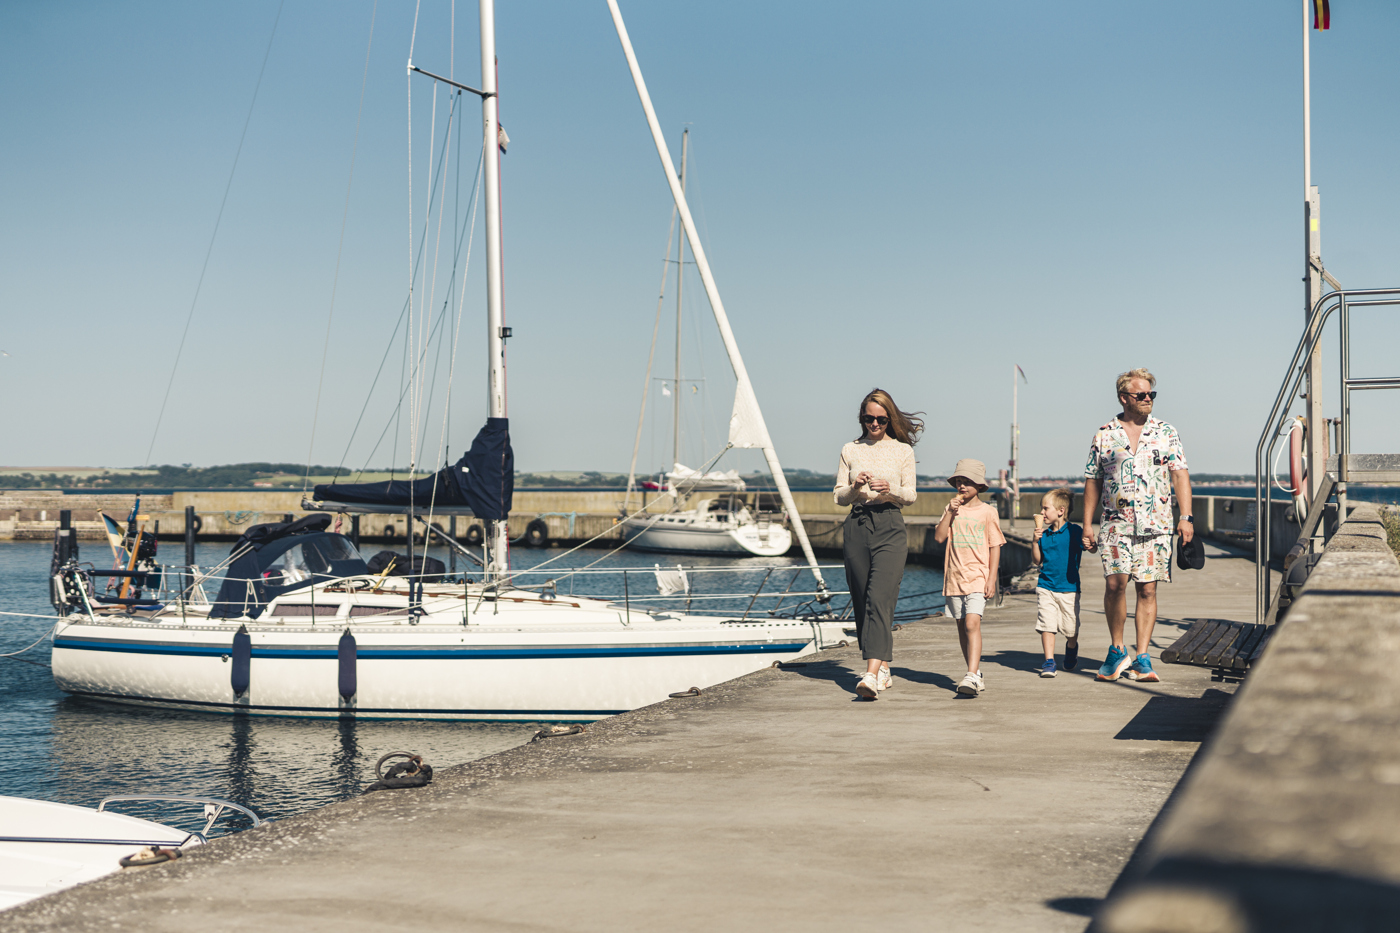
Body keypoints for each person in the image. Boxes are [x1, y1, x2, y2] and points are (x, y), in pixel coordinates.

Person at [1082, 368, 1194, 684]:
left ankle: (1142, 658)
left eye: (1151, 395)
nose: (1147, 399)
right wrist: (1087, 524)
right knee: (1115, 585)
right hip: (1115, 524)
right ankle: (1117, 650)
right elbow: (1093, 479)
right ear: (1124, 398)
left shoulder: (1166, 432)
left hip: (1156, 524)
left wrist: (1186, 517)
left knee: (1147, 588)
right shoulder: (1104, 434)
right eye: (1141, 395)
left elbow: (1180, 475)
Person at [834, 388, 923, 700]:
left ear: (890, 418)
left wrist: (891, 489)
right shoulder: (850, 449)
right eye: (869, 418)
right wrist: (855, 487)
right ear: (862, 418)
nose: (874, 423)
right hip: (857, 525)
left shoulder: (902, 451)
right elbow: (838, 496)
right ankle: (883, 666)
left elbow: (910, 495)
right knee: (862, 600)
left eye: (881, 419)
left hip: (890, 525)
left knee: (879, 598)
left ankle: (870, 675)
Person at [933, 459, 1004, 697]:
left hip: (978, 575)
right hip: (954, 577)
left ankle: (971, 676)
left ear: (979, 486)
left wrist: (991, 578)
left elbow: (995, 546)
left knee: (973, 623)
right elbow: (940, 538)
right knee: (962, 627)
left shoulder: (988, 512)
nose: (962, 487)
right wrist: (950, 513)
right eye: (959, 482)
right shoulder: (951, 508)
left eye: (967, 482)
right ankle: (973, 672)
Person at [1031, 488, 1083, 678]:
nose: (1041, 513)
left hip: (1069, 588)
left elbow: (1090, 547)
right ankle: (1049, 661)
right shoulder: (1043, 535)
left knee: (1070, 629)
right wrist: (1034, 542)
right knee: (1047, 624)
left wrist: (1091, 543)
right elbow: (1037, 561)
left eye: (1045, 509)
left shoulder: (1075, 531)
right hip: (1046, 585)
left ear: (1060, 511)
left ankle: (1071, 647)